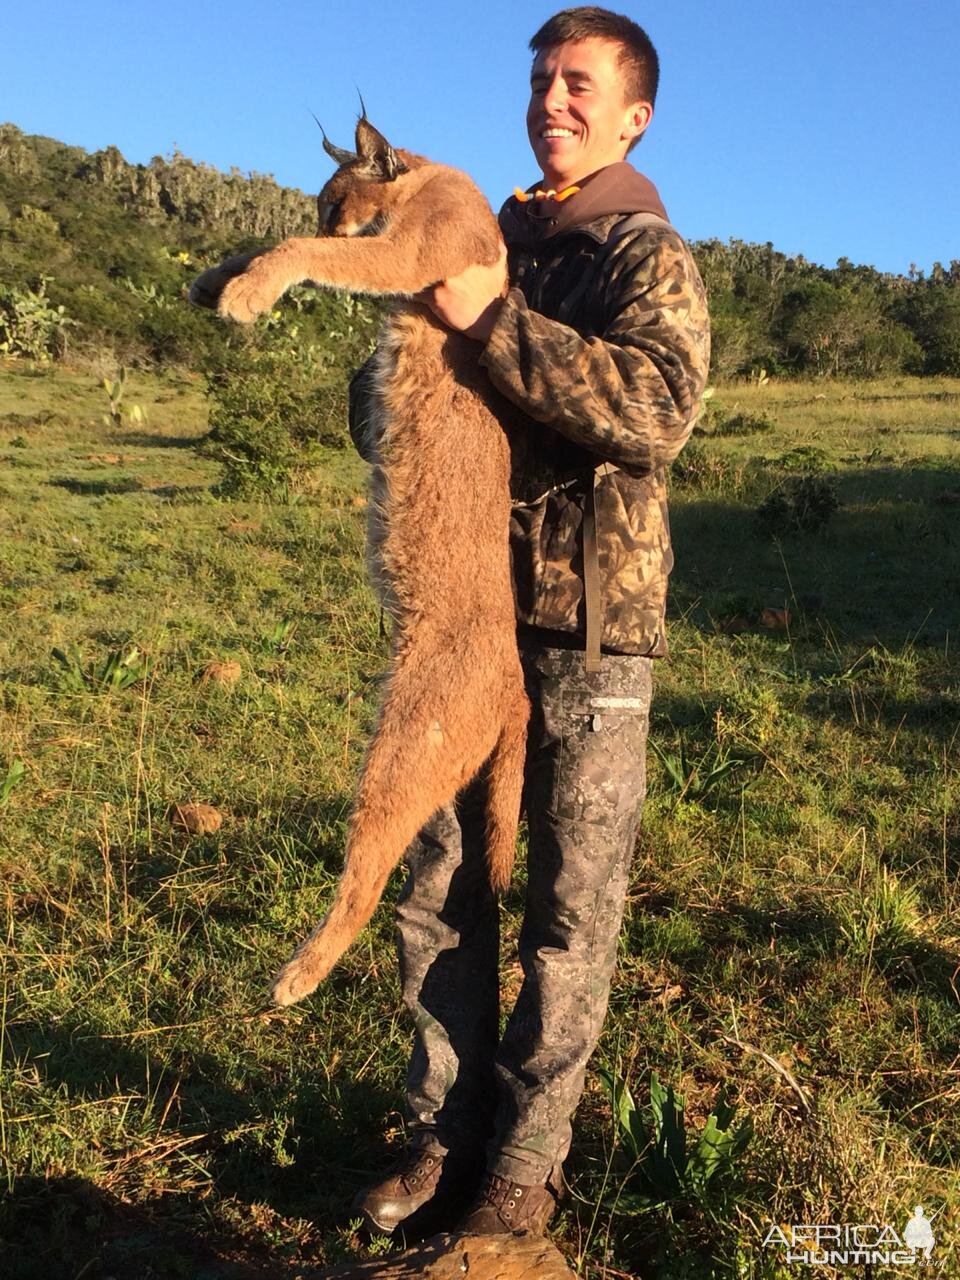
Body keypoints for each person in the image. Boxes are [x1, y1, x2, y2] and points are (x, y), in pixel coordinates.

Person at [348, 5, 710, 1238]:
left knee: (568, 902)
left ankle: (524, 1162)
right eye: (542, 80)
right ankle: (436, 1131)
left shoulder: (644, 252)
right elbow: (411, 387)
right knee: (442, 882)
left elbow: (655, 408)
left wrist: (489, 319)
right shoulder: (492, 233)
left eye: (579, 85)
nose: (552, 102)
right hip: (471, 623)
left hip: (596, 634)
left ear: (631, 114)